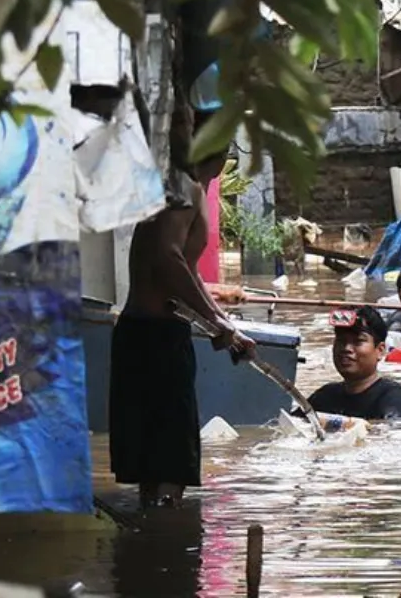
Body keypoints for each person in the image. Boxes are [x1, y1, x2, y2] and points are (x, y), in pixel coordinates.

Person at [109, 110, 256, 509]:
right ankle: (168, 558)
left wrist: (221, 322)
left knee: (153, 468)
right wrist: (215, 322)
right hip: (155, 337)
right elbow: (166, 258)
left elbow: (179, 270)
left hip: (145, 331)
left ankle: (149, 555)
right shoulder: (185, 190)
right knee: (170, 466)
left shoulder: (178, 188)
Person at [306, 306, 401, 421]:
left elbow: (389, 432)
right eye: (341, 341)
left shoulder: (393, 397)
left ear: (380, 350)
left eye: (358, 341)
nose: (346, 348)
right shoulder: (325, 396)